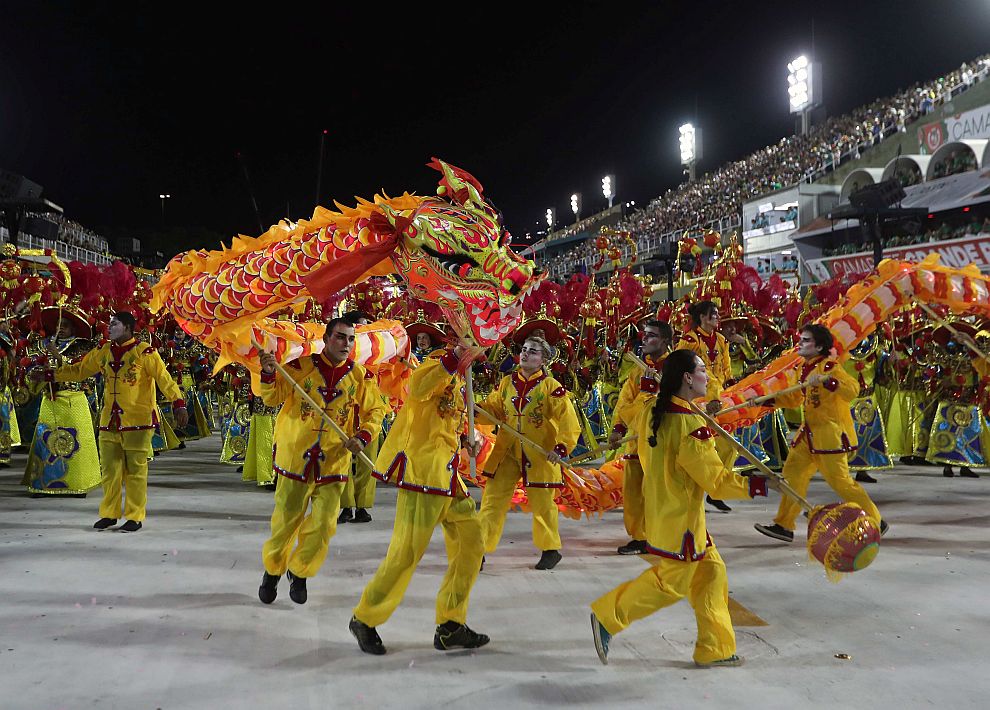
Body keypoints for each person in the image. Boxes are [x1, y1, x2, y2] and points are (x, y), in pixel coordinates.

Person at [589, 349, 772, 666]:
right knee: (670, 584)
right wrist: (757, 485)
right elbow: (716, 482)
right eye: (703, 369)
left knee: (712, 573)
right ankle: (608, 615)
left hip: (667, 514)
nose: (707, 375)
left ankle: (714, 647)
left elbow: (637, 414)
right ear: (687, 378)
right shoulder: (690, 428)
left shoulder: (652, 412)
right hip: (682, 524)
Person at [349, 343, 488, 655]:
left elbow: (445, 423)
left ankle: (451, 625)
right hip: (423, 477)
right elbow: (418, 388)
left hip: (449, 478)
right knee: (405, 554)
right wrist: (453, 358)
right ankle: (364, 618)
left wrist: (469, 439)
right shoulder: (434, 365)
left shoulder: (463, 377)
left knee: (472, 545)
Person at [257, 318, 386, 605]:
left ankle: (299, 571)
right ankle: (272, 570)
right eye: (340, 337)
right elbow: (271, 398)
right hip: (295, 459)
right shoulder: (299, 367)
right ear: (327, 338)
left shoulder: (360, 376)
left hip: (334, 463)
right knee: (284, 523)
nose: (346, 344)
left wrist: (363, 436)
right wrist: (267, 373)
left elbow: (376, 411)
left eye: (351, 339)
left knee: (325, 524)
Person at [44, 312, 188, 531]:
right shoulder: (103, 352)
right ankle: (109, 513)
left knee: (136, 471)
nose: (109, 327)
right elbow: (80, 371)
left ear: (128, 328)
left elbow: (164, 379)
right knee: (110, 471)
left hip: (137, 421)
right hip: (109, 421)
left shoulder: (145, 353)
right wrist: (51, 375)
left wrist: (179, 404)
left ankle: (135, 516)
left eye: (114, 324)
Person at [755, 324, 887, 543]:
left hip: (829, 436)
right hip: (808, 435)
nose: (800, 343)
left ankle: (875, 520)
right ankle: (784, 525)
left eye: (805, 340)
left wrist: (831, 382)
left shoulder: (830, 367)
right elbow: (796, 397)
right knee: (792, 476)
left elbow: (852, 390)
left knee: (841, 482)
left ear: (819, 346)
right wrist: (770, 400)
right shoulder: (803, 368)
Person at [477, 335, 580, 570]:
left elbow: (567, 418)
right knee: (492, 500)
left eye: (533, 352)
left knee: (543, 503)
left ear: (543, 360)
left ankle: (550, 549)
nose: (525, 354)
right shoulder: (506, 383)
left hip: (540, 453)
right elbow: (493, 410)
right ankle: (478, 548)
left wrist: (561, 447)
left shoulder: (550, 387)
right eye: (524, 349)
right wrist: (476, 408)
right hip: (507, 451)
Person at [608, 320, 672, 555]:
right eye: (644, 335)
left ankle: (664, 535)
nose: (644, 339)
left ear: (665, 341)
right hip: (636, 441)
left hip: (664, 442)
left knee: (659, 490)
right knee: (634, 492)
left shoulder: (677, 366)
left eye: (652, 336)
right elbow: (624, 404)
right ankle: (640, 537)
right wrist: (618, 428)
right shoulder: (637, 370)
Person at [676, 300, 738, 513]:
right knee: (700, 446)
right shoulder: (689, 341)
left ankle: (715, 488)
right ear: (702, 317)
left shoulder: (721, 340)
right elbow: (682, 369)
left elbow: (726, 370)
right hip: (698, 401)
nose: (718, 317)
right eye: (713, 314)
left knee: (730, 445)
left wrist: (733, 389)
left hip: (719, 401)